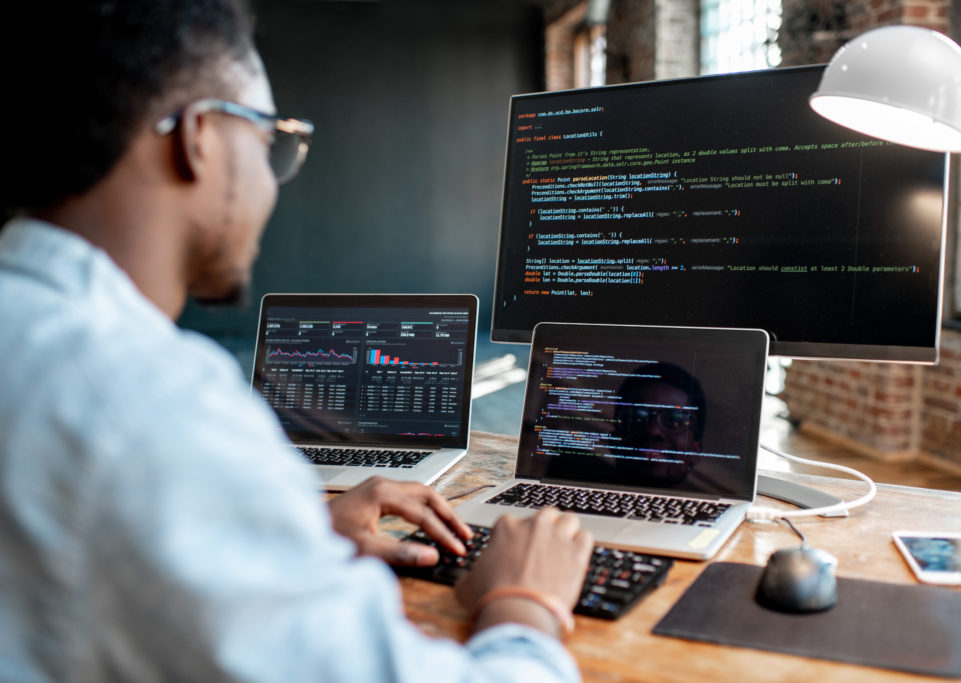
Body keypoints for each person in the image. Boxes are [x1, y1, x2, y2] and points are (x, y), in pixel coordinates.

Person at [0, 1, 592, 681]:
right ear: (198, 137)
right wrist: (527, 602)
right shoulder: (154, 404)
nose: (273, 182)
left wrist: (288, 541)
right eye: (269, 141)